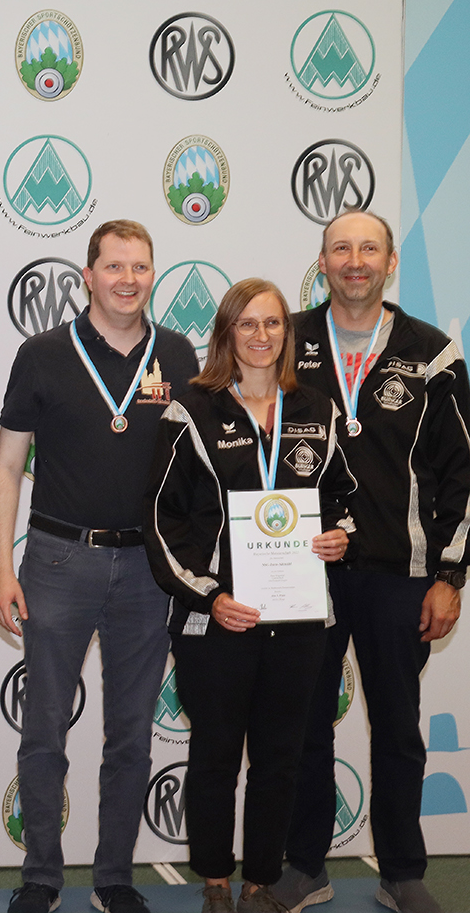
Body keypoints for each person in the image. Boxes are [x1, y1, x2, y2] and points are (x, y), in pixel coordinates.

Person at [0, 219, 198, 913]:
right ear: (88, 276)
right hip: (58, 558)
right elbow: (7, 465)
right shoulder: (43, 353)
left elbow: (199, 469)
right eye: (114, 266)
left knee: (131, 734)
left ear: (152, 275)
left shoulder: (178, 353)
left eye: (140, 267)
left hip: (148, 570)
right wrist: (1, 569)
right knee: (44, 729)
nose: (128, 279)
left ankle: (114, 878)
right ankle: (41, 876)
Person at [275, 211, 469, 913]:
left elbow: (461, 472)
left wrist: (450, 576)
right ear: (322, 261)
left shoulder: (433, 352)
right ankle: (304, 865)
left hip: (399, 574)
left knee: (396, 727)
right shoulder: (284, 340)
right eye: (340, 248)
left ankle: (402, 871)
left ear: (390, 262)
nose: (354, 260)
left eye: (368, 248)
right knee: (302, 725)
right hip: (302, 571)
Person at [146, 279, 354, 913]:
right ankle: (214, 880)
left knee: (279, 759)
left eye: (273, 324)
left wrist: (339, 536)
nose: (261, 336)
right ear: (226, 334)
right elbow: (163, 520)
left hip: (298, 620)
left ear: (287, 334)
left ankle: (262, 881)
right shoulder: (191, 409)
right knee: (214, 757)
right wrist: (209, 597)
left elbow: (343, 499)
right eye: (247, 324)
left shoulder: (317, 408)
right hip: (218, 621)